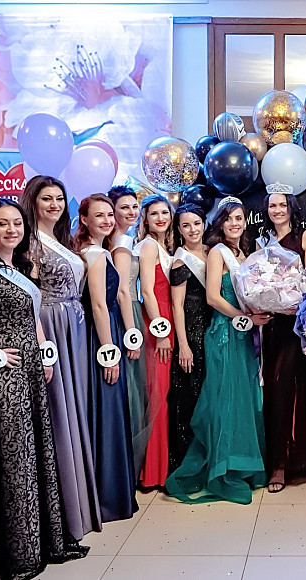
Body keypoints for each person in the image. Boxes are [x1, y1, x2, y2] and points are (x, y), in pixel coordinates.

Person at [0, 198, 87, 578]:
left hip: (27, 373)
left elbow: (31, 315)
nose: (11, 229)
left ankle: (34, 541)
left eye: (17, 223)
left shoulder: (16, 267)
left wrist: (44, 354)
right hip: (2, 380)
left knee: (30, 454)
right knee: (13, 460)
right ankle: (16, 551)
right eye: (2, 223)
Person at [165, 197, 270, 504]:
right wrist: (245, 318)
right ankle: (220, 469)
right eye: (228, 219)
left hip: (243, 335)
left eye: (239, 218)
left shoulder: (245, 252)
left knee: (244, 401)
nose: (234, 224)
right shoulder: (217, 253)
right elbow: (212, 297)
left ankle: (243, 463)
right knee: (224, 403)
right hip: (224, 333)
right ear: (220, 224)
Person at [21, 176, 102, 539]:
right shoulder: (30, 243)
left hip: (73, 326)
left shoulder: (62, 239)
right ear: (33, 202)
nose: (54, 204)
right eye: (46, 199)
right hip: (51, 325)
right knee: (59, 409)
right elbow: (30, 295)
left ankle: (81, 499)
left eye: (58, 198)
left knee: (75, 407)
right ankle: (64, 508)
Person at [76, 195, 138, 523]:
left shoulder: (94, 251)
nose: (107, 220)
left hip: (103, 331)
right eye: (98, 215)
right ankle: (108, 496)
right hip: (103, 333)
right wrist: (109, 353)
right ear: (84, 220)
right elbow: (99, 306)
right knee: (107, 407)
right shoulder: (97, 254)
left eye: (109, 215)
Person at [259, 183, 306, 492]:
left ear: (292, 207)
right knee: (276, 389)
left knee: (299, 388)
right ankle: (277, 462)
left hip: (299, 324)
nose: (278, 210)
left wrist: (293, 301)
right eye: (273, 205)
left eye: (282, 204)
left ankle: (299, 460)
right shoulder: (263, 241)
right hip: (273, 324)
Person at [135, 193, 177, 489]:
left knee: (163, 393)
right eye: (154, 214)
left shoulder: (163, 246)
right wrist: (160, 331)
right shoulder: (149, 246)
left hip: (167, 318)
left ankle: (159, 466)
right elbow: (147, 291)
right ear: (145, 219)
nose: (161, 218)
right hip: (157, 321)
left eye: (165, 212)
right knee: (157, 393)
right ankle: (152, 472)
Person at [168, 203, 212, 476]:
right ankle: (188, 463)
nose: (193, 229)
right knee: (191, 396)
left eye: (196, 223)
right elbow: (177, 305)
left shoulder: (212, 251)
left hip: (213, 329)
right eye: (186, 225)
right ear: (179, 229)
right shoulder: (180, 261)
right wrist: (183, 345)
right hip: (192, 334)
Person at [108, 186, 147, 474]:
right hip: (127, 312)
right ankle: (131, 463)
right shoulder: (121, 242)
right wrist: (132, 333)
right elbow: (123, 290)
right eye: (124, 207)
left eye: (134, 206)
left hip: (129, 311)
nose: (131, 212)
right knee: (132, 385)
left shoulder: (121, 239)